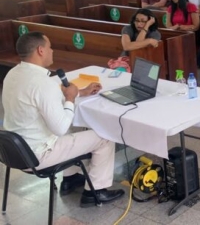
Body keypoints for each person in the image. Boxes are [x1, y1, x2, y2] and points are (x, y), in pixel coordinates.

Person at [2, 32, 125, 207]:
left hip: (13, 151)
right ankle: (96, 192)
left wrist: (80, 92)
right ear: (40, 50)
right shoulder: (42, 83)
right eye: (50, 47)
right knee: (104, 136)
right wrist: (70, 99)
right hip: (38, 155)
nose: (52, 51)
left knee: (75, 127)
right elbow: (59, 128)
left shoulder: (13, 74)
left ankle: (70, 178)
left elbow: (43, 99)